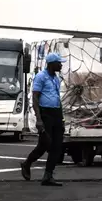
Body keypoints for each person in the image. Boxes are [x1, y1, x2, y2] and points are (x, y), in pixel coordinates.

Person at [20, 52, 67, 186]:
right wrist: (39, 119)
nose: (61, 65)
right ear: (52, 64)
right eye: (59, 63)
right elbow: (35, 97)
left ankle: (48, 175)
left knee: (57, 146)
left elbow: (57, 98)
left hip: (56, 113)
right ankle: (27, 163)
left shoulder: (56, 79)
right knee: (45, 143)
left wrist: (61, 118)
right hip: (45, 113)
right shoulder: (41, 77)